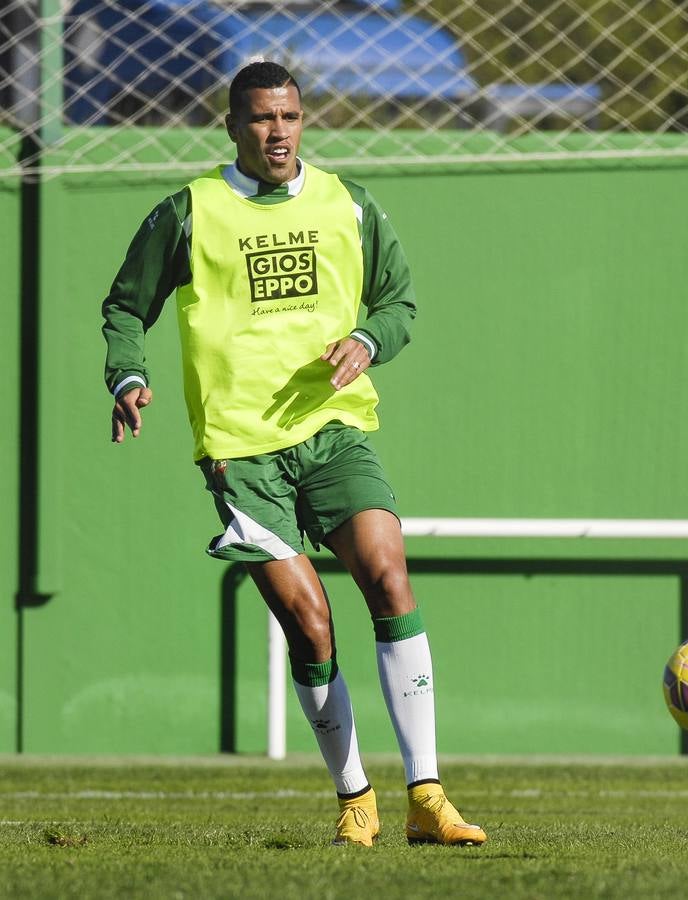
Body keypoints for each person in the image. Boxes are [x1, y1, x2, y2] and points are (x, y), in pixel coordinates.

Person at [102, 60, 487, 848]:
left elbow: (399, 301)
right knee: (310, 625)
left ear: (303, 120)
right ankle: (356, 798)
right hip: (242, 454)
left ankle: (428, 796)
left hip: (334, 428)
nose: (278, 133)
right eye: (261, 120)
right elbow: (124, 306)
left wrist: (369, 339)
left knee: (388, 573)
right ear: (233, 126)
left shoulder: (348, 203)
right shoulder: (190, 212)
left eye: (290, 117)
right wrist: (128, 375)